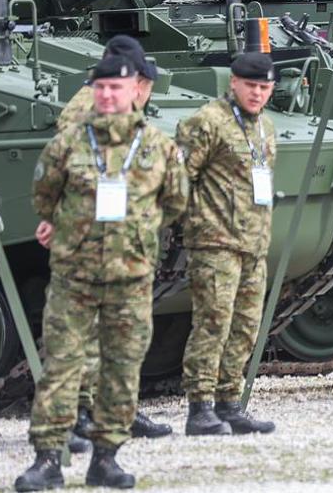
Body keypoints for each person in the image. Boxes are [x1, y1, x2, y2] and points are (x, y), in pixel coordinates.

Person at [15, 55, 187, 492]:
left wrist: (136, 232)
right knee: (62, 366)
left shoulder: (158, 147)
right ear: (95, 90)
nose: (109, 95)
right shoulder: (68, 143)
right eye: (102, 88)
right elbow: (43, 195)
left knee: (122, 368)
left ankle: (106, 458)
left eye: (118, 87)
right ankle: (48, 458)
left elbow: (175, 202)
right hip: (74, 275)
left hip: (130, 276)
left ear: (137, 90)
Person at [60, 39, 174, 448]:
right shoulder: (88, 105)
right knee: (87, 334)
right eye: (144, 81)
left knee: (123, 332)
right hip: (92, 237)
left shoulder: (123, 107)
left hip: (125, 236)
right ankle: (78, 415)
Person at [177, 52, 281, 434]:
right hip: (215, 242)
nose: (257, 93)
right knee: (212, 324)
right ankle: (200, 407)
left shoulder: (265, 127)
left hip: (254, 243)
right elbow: (178, 179)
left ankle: (229, 402)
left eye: (264, 87)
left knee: (245, 326)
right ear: (233, 82)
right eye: (251, 85)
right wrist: (194, 221)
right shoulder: (207, 123)